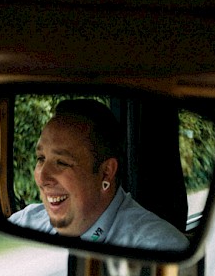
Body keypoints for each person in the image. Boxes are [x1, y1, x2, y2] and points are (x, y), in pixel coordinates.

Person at [10, 99, 188, 251]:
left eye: (62, 162)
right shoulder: (24, 223)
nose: (42, 177)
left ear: (106, 173)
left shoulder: (159, 246)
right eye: (41, 158)